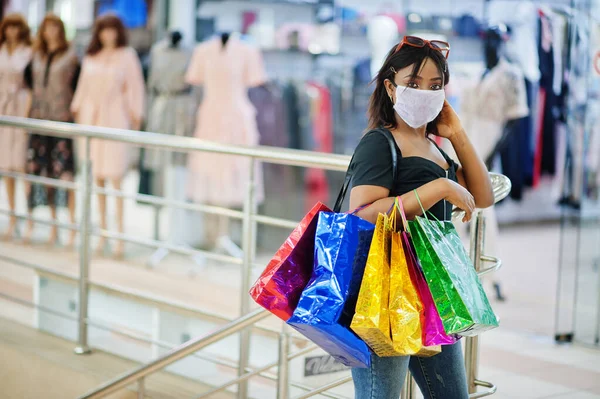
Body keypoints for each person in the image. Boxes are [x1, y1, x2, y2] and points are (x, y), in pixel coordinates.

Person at [348, 36, 494, 399]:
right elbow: (364, 213)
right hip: (384, 292)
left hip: (433, 292)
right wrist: (441, 189)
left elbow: (483, 195)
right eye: (413, 84)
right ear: (390, 86)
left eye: (435, 86)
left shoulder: (436, 147)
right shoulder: (380, 143)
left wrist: (456, 133)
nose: (424, 93)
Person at [71, 14, 145, 258]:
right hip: (91, 120)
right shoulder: (92, 56)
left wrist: (135, 116)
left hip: (115, 119)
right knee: (97, 179)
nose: (108, 35)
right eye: (104, 30)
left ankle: (120, 236)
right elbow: (82, 88)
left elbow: (135, 88)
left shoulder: (128, 56)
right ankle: (103, 232)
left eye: (112, 30)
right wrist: (78, 110)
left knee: (116, 178)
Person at [24, 13, 80, 246]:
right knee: (43, 173)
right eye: (47, 28)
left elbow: (77, 87)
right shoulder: (35, 56)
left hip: (62, 120)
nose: (51, 32)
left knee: (65, 174)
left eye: (55, 27)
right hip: (39, 120)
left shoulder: (71, 57)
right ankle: (53, 225)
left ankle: (73, 224)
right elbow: (28, 85)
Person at [0, 13, 32, 239]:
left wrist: (26, 114)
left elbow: (30, 85)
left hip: (20, 108)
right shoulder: (1, 50)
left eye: (15, 27)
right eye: (8, 27)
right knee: (6, 168)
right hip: (3, 109)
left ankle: (29, 217)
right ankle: (12, 217)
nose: (12, 31)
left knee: (23, 167)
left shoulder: (29, 52)